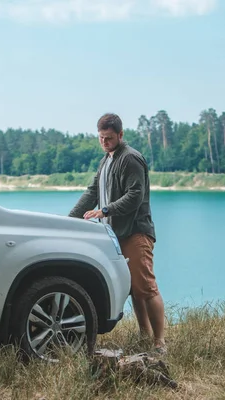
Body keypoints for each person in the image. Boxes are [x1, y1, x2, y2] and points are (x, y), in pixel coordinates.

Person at [69, 113, 167, 354]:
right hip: (116, 235)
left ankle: (160, 343)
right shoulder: (106, 160)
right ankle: (145, 337)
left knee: (146, 287)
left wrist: (104, 210)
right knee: (133, 288)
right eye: (101, 138)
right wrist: (67, 222)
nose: (104, 142)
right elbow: (91, 192)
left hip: (135, 233)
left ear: (120, 135)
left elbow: (135, 196)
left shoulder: (131, 159)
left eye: (109, 138)